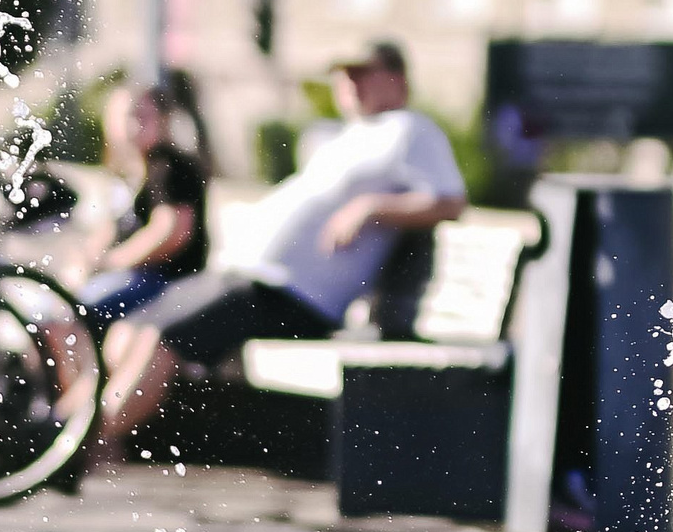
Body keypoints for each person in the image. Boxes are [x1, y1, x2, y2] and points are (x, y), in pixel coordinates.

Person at [97, 40, 467, 442]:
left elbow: (450, 201)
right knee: (127, 331)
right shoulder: (348, 135)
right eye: (344, 74)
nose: (349, 83)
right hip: (247, 277)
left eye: (362, 72)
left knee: (159, 339)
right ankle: (72, 431)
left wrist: (371, 206)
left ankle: (86, 447)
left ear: (396, 79)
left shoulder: (410, 130)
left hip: (291, 295)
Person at [76, 82, 210, 328]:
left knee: (77, 310)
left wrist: (114, 262)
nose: (132, 126)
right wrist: (89, 260)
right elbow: (110, 227)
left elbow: (171, 233)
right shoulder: (129, 171)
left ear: (163, 119)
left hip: (165, 280)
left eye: (142, 116)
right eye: (126, 116)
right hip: (135, 275)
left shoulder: (169, 167)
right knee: (62, 303)